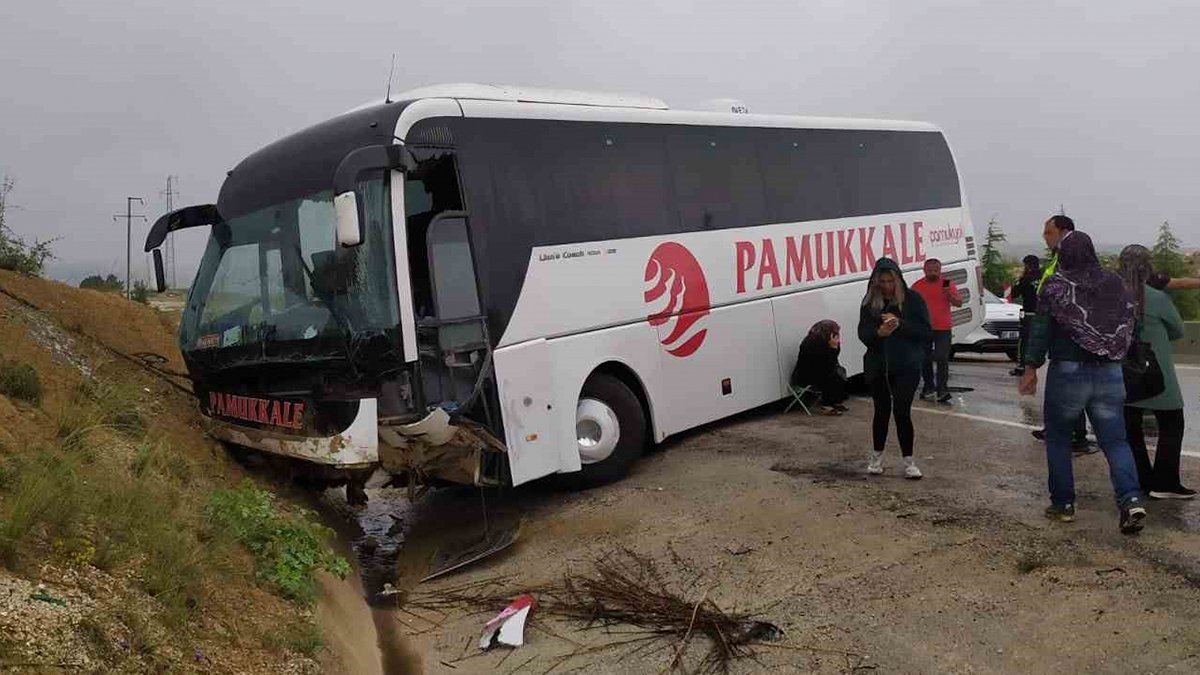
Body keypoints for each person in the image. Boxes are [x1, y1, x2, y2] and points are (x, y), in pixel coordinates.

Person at [1018, 228, 1146, 534]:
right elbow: (1131, 324)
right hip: (1110, 371)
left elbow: (1041, 328)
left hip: (1068, 371)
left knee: (1058, 439)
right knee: (1115, 441)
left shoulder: (1055, 284)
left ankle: (1063, 505)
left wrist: (1031, 367)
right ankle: (1130, 500)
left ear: (1063, 254)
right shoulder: (1116, 283)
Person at [1119, 245, 1193, 499]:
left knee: (1130, 428)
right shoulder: (1157, 297)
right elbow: (1178, 330)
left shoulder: (1112, 295)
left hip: (1122, 371)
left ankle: (1141, 479)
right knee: (1172, 422)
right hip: (1157, 370)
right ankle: (1165, 482)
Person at [858, 258, 932, 479]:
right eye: (882, 282)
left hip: (907, 364)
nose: (887, 286)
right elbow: (863, 333)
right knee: (881, 411)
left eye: (890, 281)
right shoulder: (869, 302)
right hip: (878, 364)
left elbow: (925, 332)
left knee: (902, 411)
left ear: (898, 280)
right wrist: (879, 333)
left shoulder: (913, 299)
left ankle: (909, 461)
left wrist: (899, 324)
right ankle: (876, 458)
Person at [1028, 216, 1092, 452]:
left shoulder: (1068, 265)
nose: (1044, 237)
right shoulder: (1059, 260)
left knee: (1070, 393)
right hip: (1070, 339)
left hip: (1067, 338)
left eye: (1049, 232)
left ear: (1064, 232)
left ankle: (1075, 437)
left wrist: (1031, 362)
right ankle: (1061, 431)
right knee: (1068, 393)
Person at [911, 258, 962, 403]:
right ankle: (928, 387)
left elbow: (959, 303)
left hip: (943, 328)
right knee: (924, 358)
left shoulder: (947, 283)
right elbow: (910, 305)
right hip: (924, 328)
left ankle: (942, 389)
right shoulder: (917, 286)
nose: (933, 273)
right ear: (924, 270)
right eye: (930, 270)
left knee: (942, 357)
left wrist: (949, 294)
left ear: (940, 270)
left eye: (936, 270)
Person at [791, 320, 849, 415]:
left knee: (839, 372)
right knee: (830, 376)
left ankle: (835, 401)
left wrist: (835, 346)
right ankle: (826, 405)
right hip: (805, 375)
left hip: (819, 371)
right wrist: (833, 348)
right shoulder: (811, 344)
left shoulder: (825, 342)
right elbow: (823, 364)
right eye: (834, 333)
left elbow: (832, 361)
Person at [1009, 254, 1041, 377]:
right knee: (1039, 341)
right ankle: (1034, 364)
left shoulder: (1025, 279)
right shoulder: (1044, 277)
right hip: (1043, 314)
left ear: (1027, 265)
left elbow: (1014, 294)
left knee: (1025, 341)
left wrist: (1016, 282)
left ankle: (1022, 365)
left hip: (1029, 314)